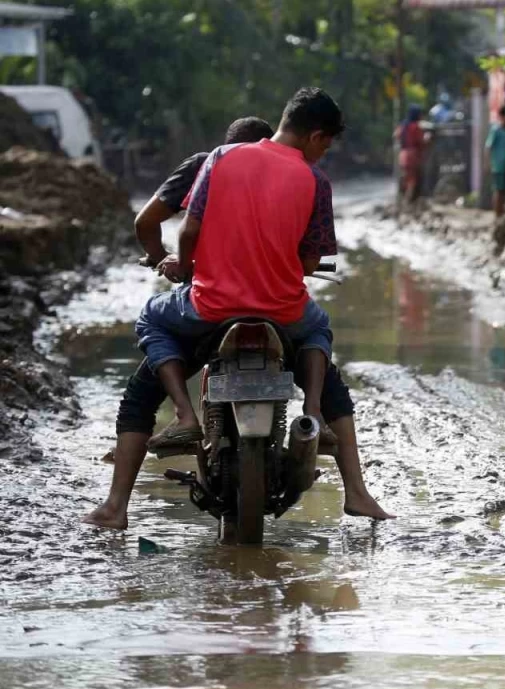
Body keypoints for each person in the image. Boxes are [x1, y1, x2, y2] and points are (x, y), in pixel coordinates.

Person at [84, 88, 394, 529]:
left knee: (151, 326)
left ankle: (120, 501)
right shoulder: (315, 181)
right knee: (321, 334)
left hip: (210, 307)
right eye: (326, 144)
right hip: (283, 312)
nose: (324, 153)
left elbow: (189, 232)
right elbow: (308, 262)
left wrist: (189, 268)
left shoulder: (221, 158)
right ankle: (340, 461)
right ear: (316, 136)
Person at [486, 105, 505, 216]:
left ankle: (501, 212)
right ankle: (497, 213)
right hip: (498, 166)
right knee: (499, 190)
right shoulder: (496, 130)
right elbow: (489, 147)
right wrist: (488, 163)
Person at [396, 104, 428, 206]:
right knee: (412, 180)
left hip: (403, 155)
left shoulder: (403, 125)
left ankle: (402, 201)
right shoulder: (415, 127)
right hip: (413, 156)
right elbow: (421, 141)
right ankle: (407, 203)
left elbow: (396, 136)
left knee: (405, 178)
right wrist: (427, 138)